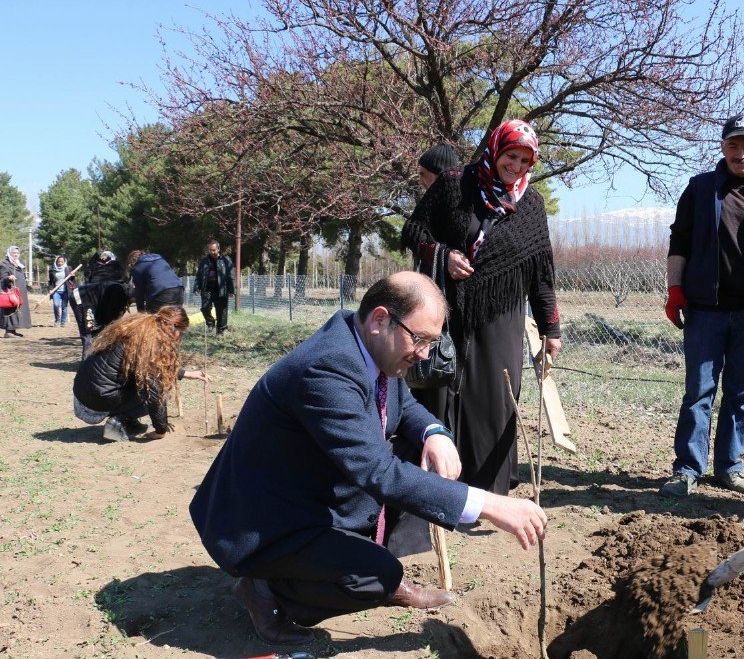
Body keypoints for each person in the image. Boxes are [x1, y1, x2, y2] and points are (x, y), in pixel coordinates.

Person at [189, 272, 547, 645]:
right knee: (374, 577)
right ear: (380, 319)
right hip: (264, 521)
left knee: (416, 453)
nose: (424, 354)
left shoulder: (371, 346)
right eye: (420, 339)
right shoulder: (326, 369)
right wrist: (489, 504)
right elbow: (378, 471)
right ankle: (266, 591)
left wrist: (434, 433)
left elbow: (403, 405)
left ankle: (363, 561)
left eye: (431, 342)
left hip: (310, 491)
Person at [401, 120, 561, 495]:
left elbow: (540, 274)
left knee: (495, 399)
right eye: (511, 156)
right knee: (439, 387)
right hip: (447, 308)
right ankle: (434, 483)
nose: (517, 166)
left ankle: (486, 490)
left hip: (500, 314)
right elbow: (414, 230)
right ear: (495, 149)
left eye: (525, 160)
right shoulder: (456, 182)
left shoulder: (531, 205)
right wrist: (443, 254)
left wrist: (550, 329)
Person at [659, 113, 744, 498]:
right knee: (699, 391)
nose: (740, 153)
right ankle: (687, 468)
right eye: (733, 145)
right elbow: (679, 242)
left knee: (740, 392)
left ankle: (729, 467)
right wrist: (675, 290)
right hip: (706, 308)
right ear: (722, 147)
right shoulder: (700, 189)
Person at [72, 305, 209, 442]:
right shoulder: (150, 344)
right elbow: (154, 391)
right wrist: (160, 430)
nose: (180, 337)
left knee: (142, 381)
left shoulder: (140, 329)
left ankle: (128, 420)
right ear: (174, 327)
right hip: (97, 400)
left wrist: (186, 374)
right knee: (159, 389)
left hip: (82, 391)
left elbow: (154, 366)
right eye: (181, 332)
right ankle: (119, 422)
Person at [71, 251, 131, 359]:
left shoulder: (114, 279)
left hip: (95, 299)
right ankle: (87, 362)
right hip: (82, 299)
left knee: (101, 330)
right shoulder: (112, 276)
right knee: (88, 332)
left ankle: (98, 359)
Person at [194, 240, 235, 335]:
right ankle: (210, 322)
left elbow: (231, 276)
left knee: (222, 311)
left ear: (218, 249)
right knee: (205, 308)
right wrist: (197, 287)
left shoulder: (226, 260)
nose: (212, 252)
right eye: (210, 250)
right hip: (207, 289)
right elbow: (199, 275)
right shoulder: (204, 261)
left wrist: (231, 290)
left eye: (214, 250)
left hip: (221, 290)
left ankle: (220, 331)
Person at [1, 245, 32, 337]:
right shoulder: (4, 264)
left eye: (17, 253)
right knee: (10, 310)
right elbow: (2, 278)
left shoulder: (18, 264)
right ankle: (8, 331)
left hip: (19, 292)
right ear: (9, 253)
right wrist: (8, 278)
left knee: (17, 311)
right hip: (10, 292)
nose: (16, 254)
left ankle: (13, 330)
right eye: (14, 253)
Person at [48, 255, 75, 328]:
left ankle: (63, 322)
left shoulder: (68, 268)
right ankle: (57, 320)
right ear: (56, 261)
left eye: (62, 261)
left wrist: (72, 275)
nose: (60, 263)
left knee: (64, 307)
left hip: (65, 291)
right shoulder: (52, 270)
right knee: (56, 305)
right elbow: (50, 281)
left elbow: (71, 280)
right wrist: (50, 289)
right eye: (59, 261)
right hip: (56, 291)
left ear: (64, 262)